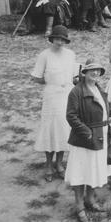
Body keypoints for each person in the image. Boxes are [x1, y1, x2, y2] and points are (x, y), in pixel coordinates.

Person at [65, 59, 111, 222]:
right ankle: (79, 206)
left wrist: (110, 118)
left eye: (98, 70)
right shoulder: (76, 92)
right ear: (84, 72)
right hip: (84, 139)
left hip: (100, 135)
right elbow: (71, 116)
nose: (96, 73)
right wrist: (87, 132)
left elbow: (104, 108)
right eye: (92, 70)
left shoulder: (98, 88)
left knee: (93, 170)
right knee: (80, 172)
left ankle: (90, 200)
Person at [30, 26, 77, 182]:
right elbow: (36, 77)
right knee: (51, 130)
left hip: (67, 96)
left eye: (62, 39)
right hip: (51, 97)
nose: (59, 42)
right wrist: (51, 82)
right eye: (57, 38)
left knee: (64, 130)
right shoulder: (45, 55)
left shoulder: (70, 55)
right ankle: (48, 165)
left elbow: (75, 77)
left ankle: (59, 164)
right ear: (52, 39)